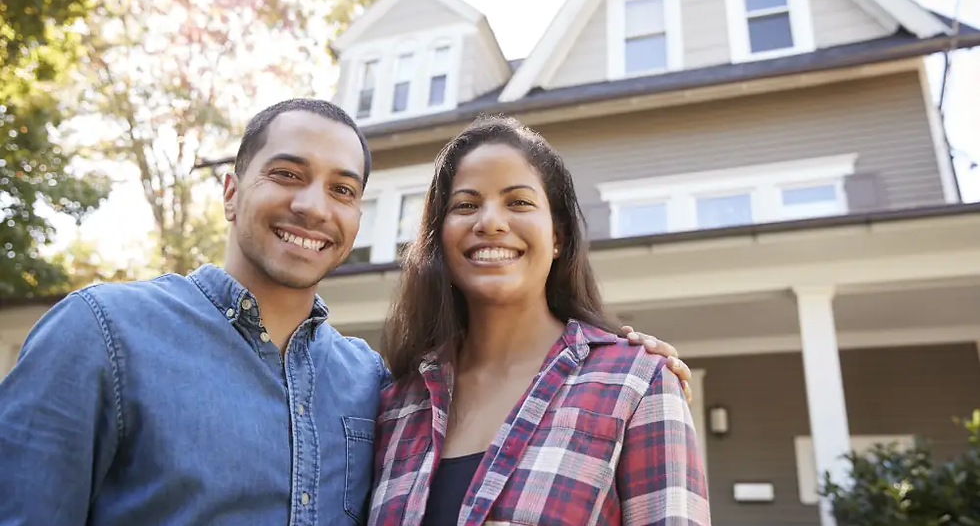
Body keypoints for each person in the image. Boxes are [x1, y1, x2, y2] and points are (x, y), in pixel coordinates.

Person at [0, 98, 691, 526]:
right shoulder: (103, 334)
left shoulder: (369, 384)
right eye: (288, 174)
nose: (312, 207)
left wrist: (627, 362)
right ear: (230, 191)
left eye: (342, 188)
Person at [368, 116, 711, 525]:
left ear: (557, 238)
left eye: (518, 202)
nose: (490, 222)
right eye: (465, 205)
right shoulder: (396, 405)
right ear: (439, 239)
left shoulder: (638, 383)